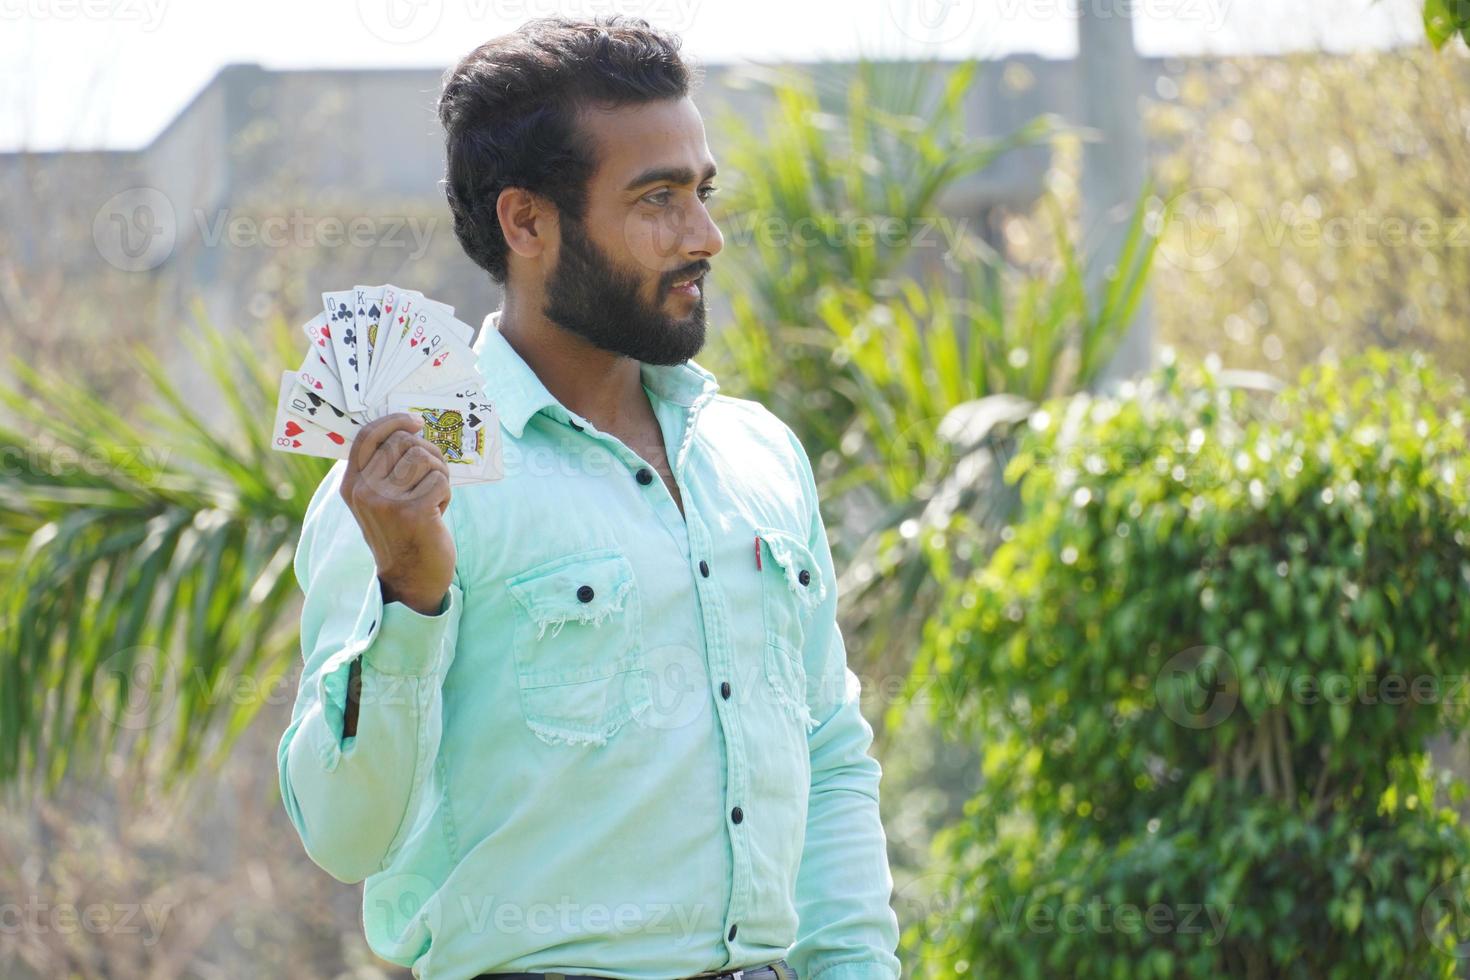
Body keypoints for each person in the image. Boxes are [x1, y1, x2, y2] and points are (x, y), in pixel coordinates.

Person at [276, 14, 901, 980]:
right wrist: (408, 599)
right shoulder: (407, 486)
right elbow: (343, 835)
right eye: (658, 199)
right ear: (527, 222)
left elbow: (829, 755)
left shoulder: (761, 457)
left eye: (703, 191)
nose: (706, 235)